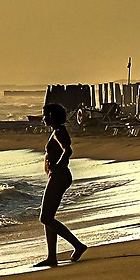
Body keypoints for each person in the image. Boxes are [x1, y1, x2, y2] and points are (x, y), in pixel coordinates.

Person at [39, 101, 86, 266]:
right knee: (48, 218)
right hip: (57, 176)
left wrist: (59, 165)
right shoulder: (56, 131)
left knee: (45, 217)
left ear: (51, 116)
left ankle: (78, 245)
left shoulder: (59, 132)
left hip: (59, 176)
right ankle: (52, 256)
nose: (43, 118)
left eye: (45, 115)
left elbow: (68, 150)